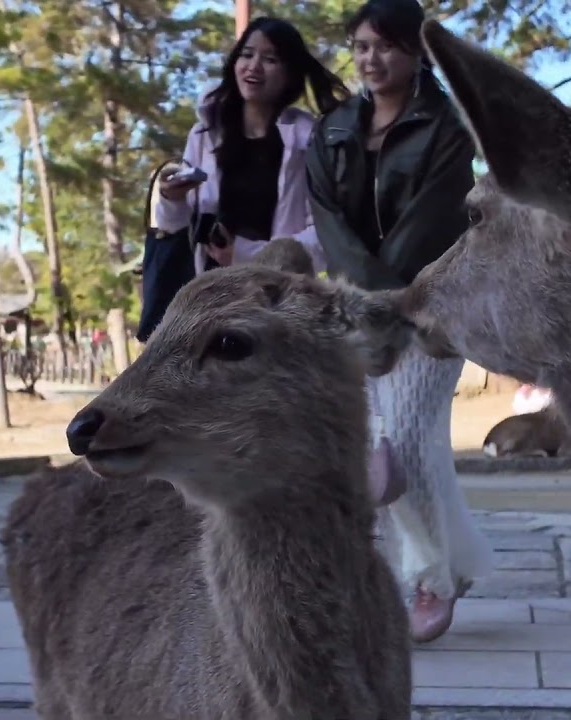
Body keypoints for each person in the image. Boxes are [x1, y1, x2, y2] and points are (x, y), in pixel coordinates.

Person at [305, 0, 494, 644]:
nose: (370, 58)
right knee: (380, 453)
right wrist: (362, 303)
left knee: (408, 442)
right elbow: (330, 224)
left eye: (385, 45)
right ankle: (446, 566)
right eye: (360, 46)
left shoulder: (447, 124)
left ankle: (429, 582)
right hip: (355, 312)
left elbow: (431, 220)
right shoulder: (330, 131)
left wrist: (390, 304)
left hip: (433, 308)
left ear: (417, 53)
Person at [153, 16, 350, 277]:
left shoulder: (309, 141)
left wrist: (247, 255)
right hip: (210, 293)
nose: (253, 67)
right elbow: (174, 226)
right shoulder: (206, 132)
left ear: (290, 73)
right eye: (247, 55)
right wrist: (172, 198)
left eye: (270, 59)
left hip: (279, 299)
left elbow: (325, 236)